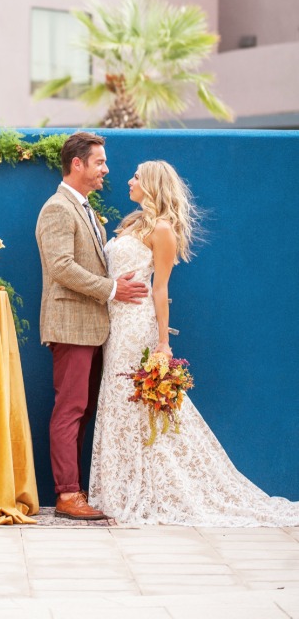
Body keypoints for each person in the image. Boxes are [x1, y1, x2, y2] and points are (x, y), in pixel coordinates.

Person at [88, 159, 299, 526]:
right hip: (115, 325)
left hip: (137, 326)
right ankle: (120, 487)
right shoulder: (131, 223)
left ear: (152, 184)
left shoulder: (162, 229)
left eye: (137, 176)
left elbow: (161, 288)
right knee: (119, 404)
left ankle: (152, 488)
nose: (129, 180)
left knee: (139, 406)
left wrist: (162, 344)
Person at [35, 132, 149, 520]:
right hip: (71, 325)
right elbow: (62, 268)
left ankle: (76, 490)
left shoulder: (82, 207)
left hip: (92, 326)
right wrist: (114, 289)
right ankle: (67, 495)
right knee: (70, 409)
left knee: (81, 411)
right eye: (99, 162)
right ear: (77, 164)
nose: (106, 169)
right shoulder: (57, 208)